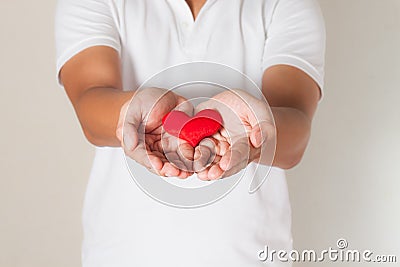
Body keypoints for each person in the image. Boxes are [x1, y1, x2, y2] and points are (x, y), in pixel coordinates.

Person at [55, 0, 325, 266]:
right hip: (122, 255)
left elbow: (296, 133)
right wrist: (131, 113)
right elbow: (90, 106)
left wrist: (257, 128)